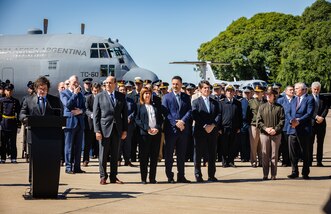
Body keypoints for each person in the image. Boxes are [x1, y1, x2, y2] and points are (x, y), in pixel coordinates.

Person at [19, 76, 62, 182]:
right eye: (41, 89)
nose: (43, 91)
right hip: (34, 136)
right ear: (36, 88)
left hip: (51, 137)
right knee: (34, 161)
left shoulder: (54, 100)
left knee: (48, 160)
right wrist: (25, 119)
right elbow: (22, 113)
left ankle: (48, 181)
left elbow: (59, 115)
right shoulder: (28, 100)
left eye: (45, 89)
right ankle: (32, 181)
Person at [93, 76, 128, 185]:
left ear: (115, 84)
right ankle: (103, 176)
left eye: (110, 83)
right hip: (104, 129)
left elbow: (124, 115)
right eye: (106, 83)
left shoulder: (121, 97)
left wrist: (125, 130)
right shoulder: (99, 96)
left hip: (117, 129)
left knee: (115, 154)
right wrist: (97, 130)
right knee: (103, 154)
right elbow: (96, 116)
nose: (107, 85)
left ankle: (114, 176)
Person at [162, 76, 192, 183]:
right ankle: (170, 176)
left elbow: (189, 111)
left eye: (177, 84)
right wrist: (176, 123)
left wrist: (182, 121)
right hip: (171, 130)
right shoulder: (166, 97)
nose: (175, 86)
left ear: (181, 84)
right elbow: (165, 112)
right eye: (173, 84)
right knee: (169, 154)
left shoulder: (186, 97)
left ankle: (181, 176)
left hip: (183, 129)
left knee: (181, 154)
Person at [191, 80, 221, 182]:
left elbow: (219, 115)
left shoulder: (215, 102)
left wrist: (212, 125)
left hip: (212, 131)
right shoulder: (195, 102)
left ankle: (211, 175)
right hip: (200, 131)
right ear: (200, 89)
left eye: (208, 88)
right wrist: (205, 125)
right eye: (204, 88)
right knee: (198, 154)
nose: (207, 90)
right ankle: (198, 175)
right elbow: (195, 115)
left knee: (212, 153)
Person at [135, 87, 163, 184]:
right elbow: (137, 119)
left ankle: (152, 178)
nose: (147, 95)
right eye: (145, 93)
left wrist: (157, 128)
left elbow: (160, 119)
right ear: (142, 95)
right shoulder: (139, 106)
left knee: (154, 157)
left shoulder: (155, 106)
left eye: (149, 93)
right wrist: (147, 128)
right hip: (144, 135)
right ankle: (143, 178)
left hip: (155, 134)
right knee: (144, 157)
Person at [287, 82, 314, 179]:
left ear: (303, 90)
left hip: (304, 130)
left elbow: (309, 113)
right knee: (292, 152)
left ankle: (305, 172)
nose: (294, 90)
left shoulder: (309, 99)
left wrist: (298, 120)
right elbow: (288, 112)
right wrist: (291, 120)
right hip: (292, 129)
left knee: (304, 152)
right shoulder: (293, 99)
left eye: (296, 88)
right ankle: (294, 171)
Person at [60, 75, 86, 174]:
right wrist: (74, 94)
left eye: (77, 82)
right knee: (69, 146)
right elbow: (68, 105)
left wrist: (80, 111)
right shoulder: (64, 93)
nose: (76, 83)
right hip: (70, 123)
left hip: (80, 122)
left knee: (78, 146)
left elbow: (84, 107)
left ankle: (77, 167)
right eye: (74, 82)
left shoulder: (81, 94)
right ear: (69, 83)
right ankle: (68, 167)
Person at [257, 89, 285, 180]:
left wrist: (275, 129)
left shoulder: (279, 107)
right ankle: (265, 174)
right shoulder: (262, 107)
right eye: (267, 94)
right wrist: (266, 128)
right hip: (264, 134)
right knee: (265, 155)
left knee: (274, 155)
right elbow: (258, 121)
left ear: (274, 96)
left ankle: (273, 174)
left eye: (270, 94)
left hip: (276, 134)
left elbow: (282, 120)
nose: (268, 96)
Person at [219, 85, 242, 167]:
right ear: (225, 92)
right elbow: (219, 115)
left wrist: (239, 127)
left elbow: (240, 116)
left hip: (234, 128)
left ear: (234, 92)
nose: (230, 92)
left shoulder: (237, 103)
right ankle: (224, 161)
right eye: (228, 91)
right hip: (224, 128)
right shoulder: (221, 102)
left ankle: (231, 161)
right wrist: (219, 128)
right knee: (224, 145)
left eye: (231, 91)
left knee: (233, 145)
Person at [0, 83, 21, 163]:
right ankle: (3, 158)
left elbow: (18, 113)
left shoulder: (15, 101)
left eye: (11, 90)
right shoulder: (1, 101)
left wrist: (19, 125)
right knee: (3, 142)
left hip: (12, 123)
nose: (9, 92)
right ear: (5, 91)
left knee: (13, 142)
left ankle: (13, 158)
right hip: (4, 122)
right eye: (8, 90)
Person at [310, 82, 329, 167]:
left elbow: (326, 108)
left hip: (321, 124)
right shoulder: (308, 98)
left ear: (320, 89)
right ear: (311, 89)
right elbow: (309, 110)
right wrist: (316, 117)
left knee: (320, 143)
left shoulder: (323, 98)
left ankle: (319, 161)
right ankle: (309, 161)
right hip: (311, 124)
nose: (316, 91)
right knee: (310, 143)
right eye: (315, 89)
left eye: (318, 89)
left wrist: (322, 117)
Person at [83, 82, 102, 167]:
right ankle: (85, 160)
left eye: (97, 91)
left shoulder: (102, 98)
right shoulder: (88, 98)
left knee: (100, 143)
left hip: (100, 124)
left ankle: (100, 159)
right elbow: (86, 109)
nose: (96, 92)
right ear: (92, 90)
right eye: (94, 91)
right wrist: (92, 114)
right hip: (90, 124)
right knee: (88, 143)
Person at [118, 82, 136, 167]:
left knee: (128, 143)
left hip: (129, 124)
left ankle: (127, 160)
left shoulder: (130, 100)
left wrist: (130, 118)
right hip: (119, 124)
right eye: (121, 90)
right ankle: (118, 159)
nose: (122, 92)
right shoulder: (116, 100)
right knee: (118, 143)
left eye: (124, 90)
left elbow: (134, 111)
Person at [247, 85, 266, 167]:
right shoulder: (251, 102)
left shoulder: (265, 102)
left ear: (263, 93)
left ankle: (261, 161)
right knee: (254, 145)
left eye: (259, 92)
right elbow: (248, 115)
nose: (257, 93)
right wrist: (250, 124)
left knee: (262, 145)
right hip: (254, 125)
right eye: (256, 92)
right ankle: (254, 161)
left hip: (264, 125)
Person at [277, 85, 295, 167]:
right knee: (284, 145)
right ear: (285, 91)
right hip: (284, 126)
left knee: (292, 145)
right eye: (290, 90)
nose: (292, 91)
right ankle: (285, 161)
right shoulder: (280, 100)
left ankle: (292, 161)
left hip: (293, 126)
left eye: (293, 90)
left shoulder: (296, 100)